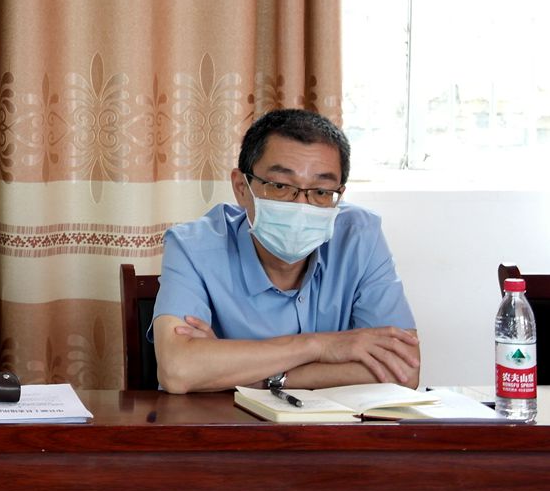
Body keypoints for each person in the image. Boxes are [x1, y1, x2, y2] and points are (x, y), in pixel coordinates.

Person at [152, 108, 420, 394]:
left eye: (321, 191)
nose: (301, 206)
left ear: (339, 195)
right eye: (280, 186)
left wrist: (238, 374)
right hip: (222, 421)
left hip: (333, 423)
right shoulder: (192, 245)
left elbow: (403, 371)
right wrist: (322, 346)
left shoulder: (359, 236)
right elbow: (178, 369)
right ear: (241, 187)